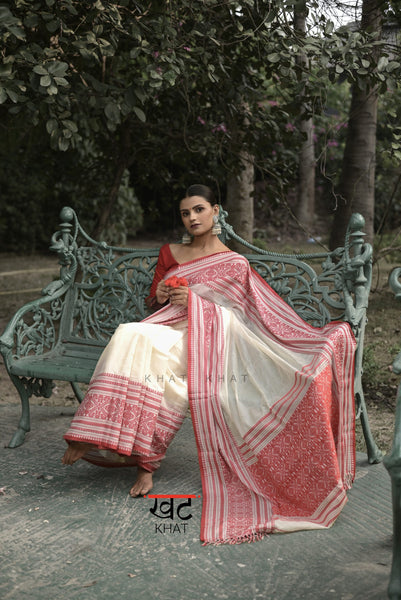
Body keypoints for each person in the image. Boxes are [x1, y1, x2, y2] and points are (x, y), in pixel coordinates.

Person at [62, 184, 356, 545]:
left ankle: (105, 441)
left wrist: (198, 303)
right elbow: (155, 301)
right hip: (167, 331)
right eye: (186, 213)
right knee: (143, 347)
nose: (192, 218)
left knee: (133, 338)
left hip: (211, 343)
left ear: (215, 211)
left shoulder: (235, 263)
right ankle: (136, 458)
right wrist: (162, 294)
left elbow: (245, 317)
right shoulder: (171, 252)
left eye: (199, 210)